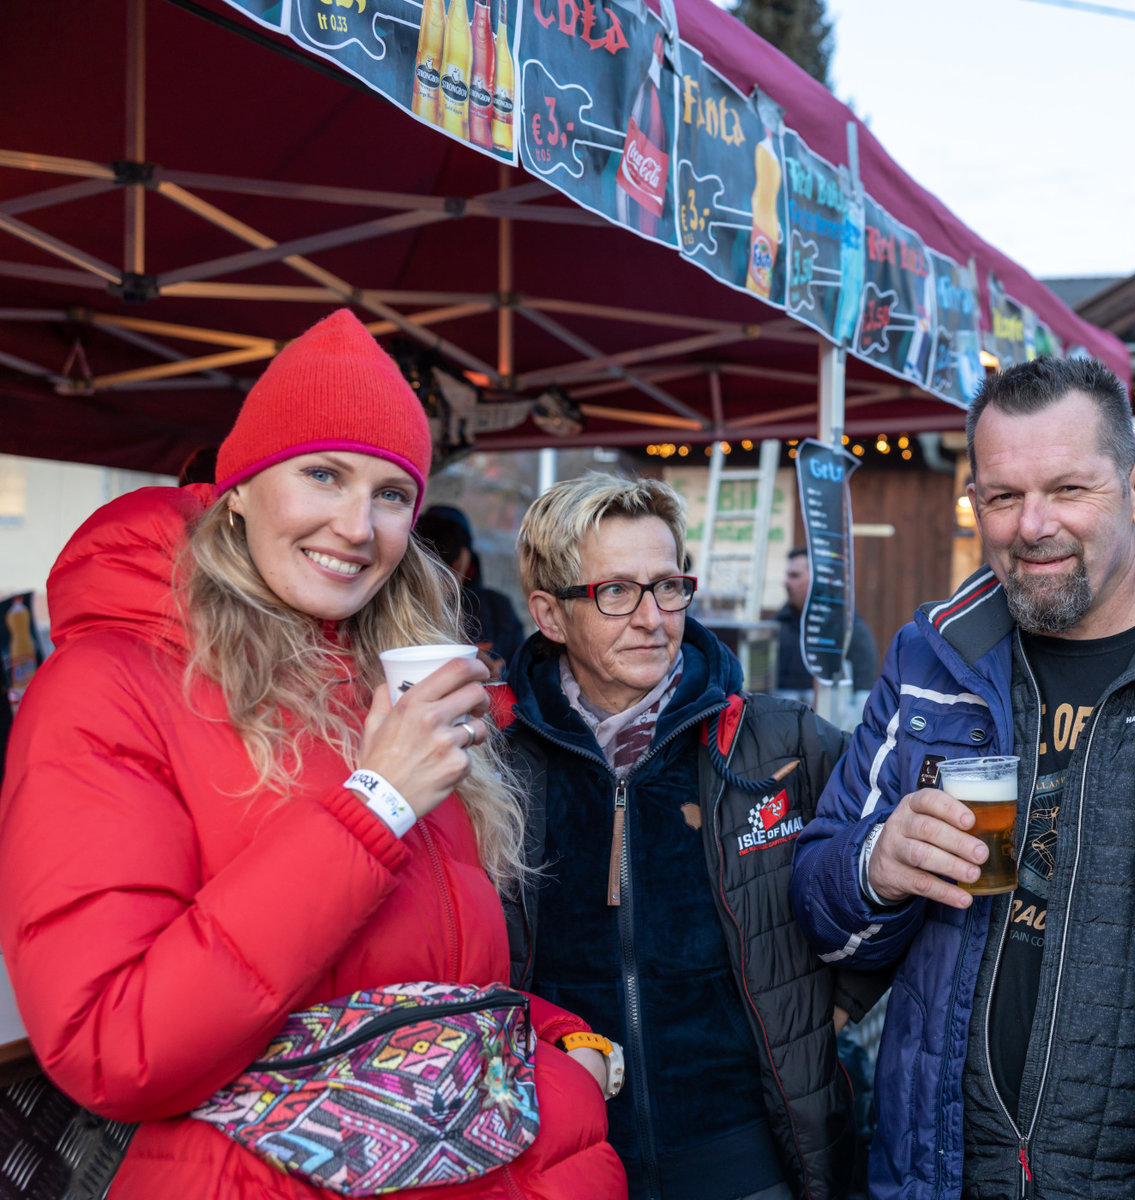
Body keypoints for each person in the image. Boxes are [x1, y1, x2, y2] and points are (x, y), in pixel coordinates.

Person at [0, 310, 624, 1199]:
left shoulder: (383, 680)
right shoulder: (109, 686)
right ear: (242, 487)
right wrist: (374, 804)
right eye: (323, 473)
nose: (356, 525)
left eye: (390, 494)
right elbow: (114, 1041)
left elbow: (399, 990)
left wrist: (557, 1043)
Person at [790, 356, 1135, 1199]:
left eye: (1068, 489)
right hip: (949, 1171)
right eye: (1002, 497)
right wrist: (875, 865)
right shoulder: (932, 657)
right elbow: (818, 902)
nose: (1032, 525)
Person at [496, 474, 889, 1200]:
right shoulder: (496, 764)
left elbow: (886, 868)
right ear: (549, 614)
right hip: (563, 1145)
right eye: (616, 591)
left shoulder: (780, 743)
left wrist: (828, 1014)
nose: (652, 618)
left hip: (743, 1147)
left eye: (668, 586)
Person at [415, 504, 527, 678]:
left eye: (449, 553)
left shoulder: (498, 609)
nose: (444, 573)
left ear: (466, 556)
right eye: (430, 553)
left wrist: (501, 675)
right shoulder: (397, 610)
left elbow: (523, 672)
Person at [775, 545, 879, 694]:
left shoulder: (849, 630)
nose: (786, 582)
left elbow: (862, 692)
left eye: (795, 575)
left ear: (818, 578)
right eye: (787, 575)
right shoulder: (778, 625)